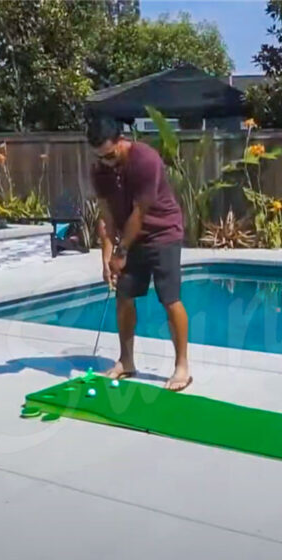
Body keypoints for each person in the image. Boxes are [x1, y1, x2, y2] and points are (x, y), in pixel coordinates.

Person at [86, 115, 193, 391]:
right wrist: (107, 260)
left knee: (170, 300)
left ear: (122, 141)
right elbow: (107, 217)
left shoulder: (146, 159)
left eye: (110, 155)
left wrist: (121, 253)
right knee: (124, 297)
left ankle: (182, 366)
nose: (107, 162)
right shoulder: (100, 170)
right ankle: (126, 360)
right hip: (130, 239)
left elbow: (139, 212)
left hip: (163, 233)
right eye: (101, 157)